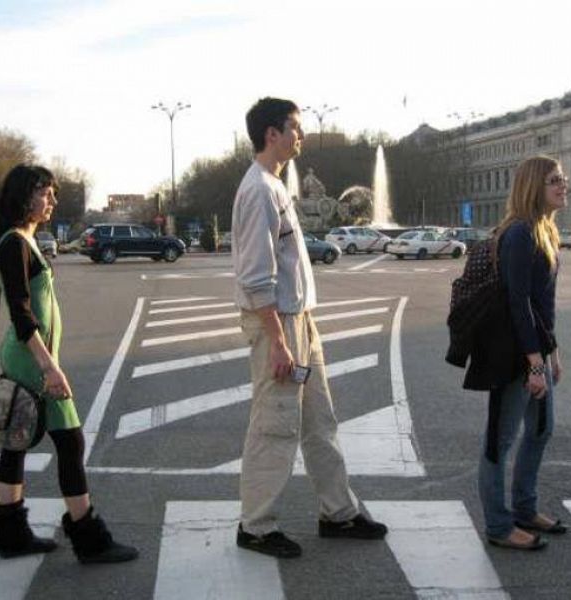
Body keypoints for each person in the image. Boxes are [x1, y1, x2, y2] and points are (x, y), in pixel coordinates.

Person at [231, 97, 388, 559]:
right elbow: (256, 275)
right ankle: (255, 525)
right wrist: (279, 341)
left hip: (298, 319)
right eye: (295, 127)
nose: (301, 135)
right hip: (278, 325)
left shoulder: (274, 186)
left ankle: (337, 513)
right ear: (271, 134)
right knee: (275, 424)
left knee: (320, 421)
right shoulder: (258, 189)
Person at [0, 164, 138, 564]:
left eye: (53, 193)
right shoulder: (14, 244)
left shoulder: (24, 240)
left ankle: (11, 534)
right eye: (45, 192)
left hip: (34, 359)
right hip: (31, 361)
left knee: (16, 442)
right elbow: (22, 315)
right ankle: (89, 537)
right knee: (69, 442)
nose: (52, 200)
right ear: (24, 196)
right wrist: (49, 367)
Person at [477, 155, 569, 551]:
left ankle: (525, 508)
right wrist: (534, 361)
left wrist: (553, 351)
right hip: (512, 352)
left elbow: (541, 303)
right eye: (554, 180)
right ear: (534, 186)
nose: (563, 185)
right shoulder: (518, 234)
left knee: (541, 428)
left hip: (535, 348)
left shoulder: (544, 229)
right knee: (500, 440)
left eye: (563, 178)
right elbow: (518, 303)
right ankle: (499, 526)